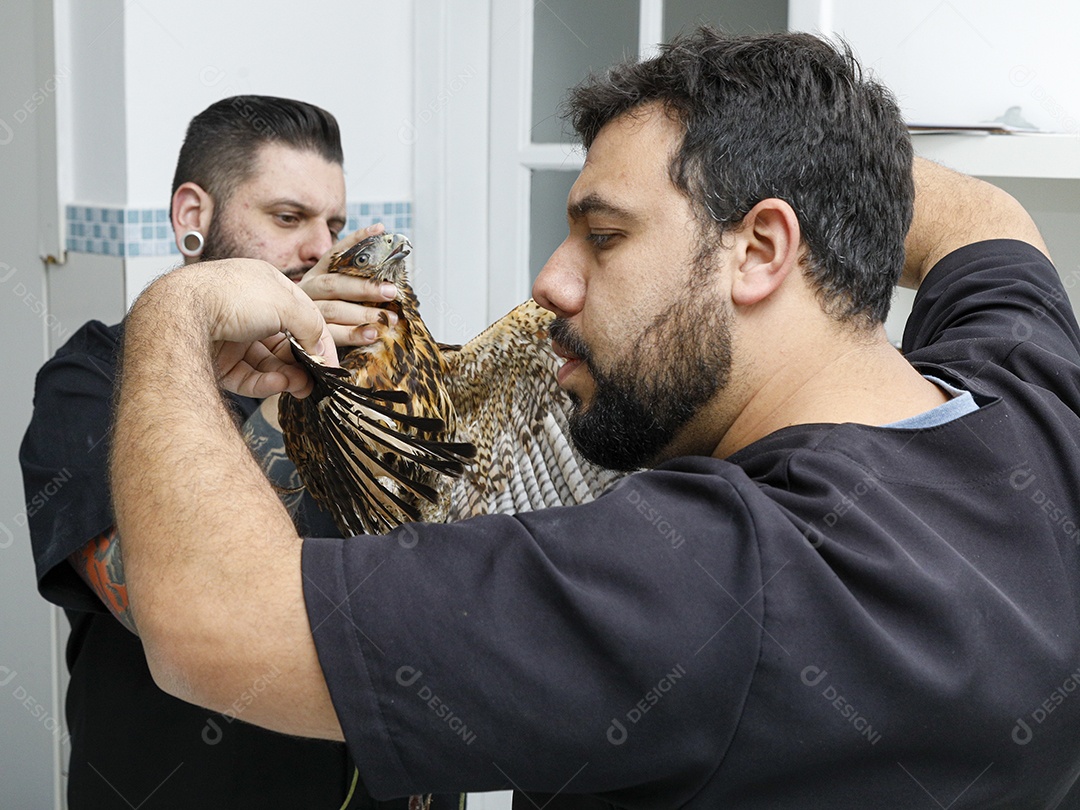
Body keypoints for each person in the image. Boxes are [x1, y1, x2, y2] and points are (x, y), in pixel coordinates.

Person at [105, 29, 1080, 807]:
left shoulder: (703, 582)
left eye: (604, 236)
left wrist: (175, 314)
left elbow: (212, 622)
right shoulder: (1032, 396)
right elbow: (985, 219)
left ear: (760, 250)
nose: (550, 281)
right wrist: (810, 157)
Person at [19, 96, 419, 808]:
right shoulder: (89, 381)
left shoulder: (363, 380)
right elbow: (158, 601)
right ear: (192, 217)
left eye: (333, 226)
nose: (319, 248)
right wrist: (291, 382)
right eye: (288, 218)